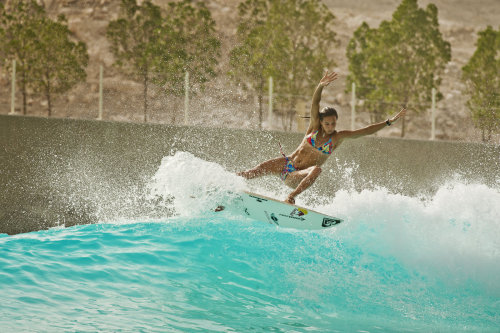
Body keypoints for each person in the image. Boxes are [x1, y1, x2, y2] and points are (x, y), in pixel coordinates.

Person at [237, 71, 406, 204]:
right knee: (252, 172)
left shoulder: (338, 138)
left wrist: (389, 122)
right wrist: (320, 86)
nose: (331, 127)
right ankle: (227, 183)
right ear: (321, 122)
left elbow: (365, 131)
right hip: (287, 163)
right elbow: (315, 104)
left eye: (333, 123)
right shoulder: (313, 128)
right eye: (328, 124)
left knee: (317, 169)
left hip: (296, 175)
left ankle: (291, 197)